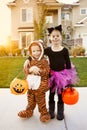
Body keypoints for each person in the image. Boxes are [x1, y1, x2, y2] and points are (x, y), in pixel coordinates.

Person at [44, 25, 79, 120]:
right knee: (51, 94)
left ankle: (60, 112)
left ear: (61, 37)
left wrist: (69, 80)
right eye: (53, 36)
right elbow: (38, 54)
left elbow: (68, 65)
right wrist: (29, 59)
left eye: (57, 36)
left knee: (60, 95)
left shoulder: (64, 51)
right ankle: (51, 111)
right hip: (51, 75)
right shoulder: (48, 50)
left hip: (62, 76)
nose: (55, 38)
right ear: (50, 38)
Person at [18, 41, 51, 122]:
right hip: (30, 86)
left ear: (42, 50)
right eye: (34, 51)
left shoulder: (44, 61)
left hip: (40, 86)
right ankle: (28, 111)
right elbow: (25, 70)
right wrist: (30, 70)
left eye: (38, 50)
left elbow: (47, 71)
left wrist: (39, 70)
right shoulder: (29, 61)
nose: (36, 53)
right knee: (30, 100)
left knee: (41, 101)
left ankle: (44, 113)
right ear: (31, 52)